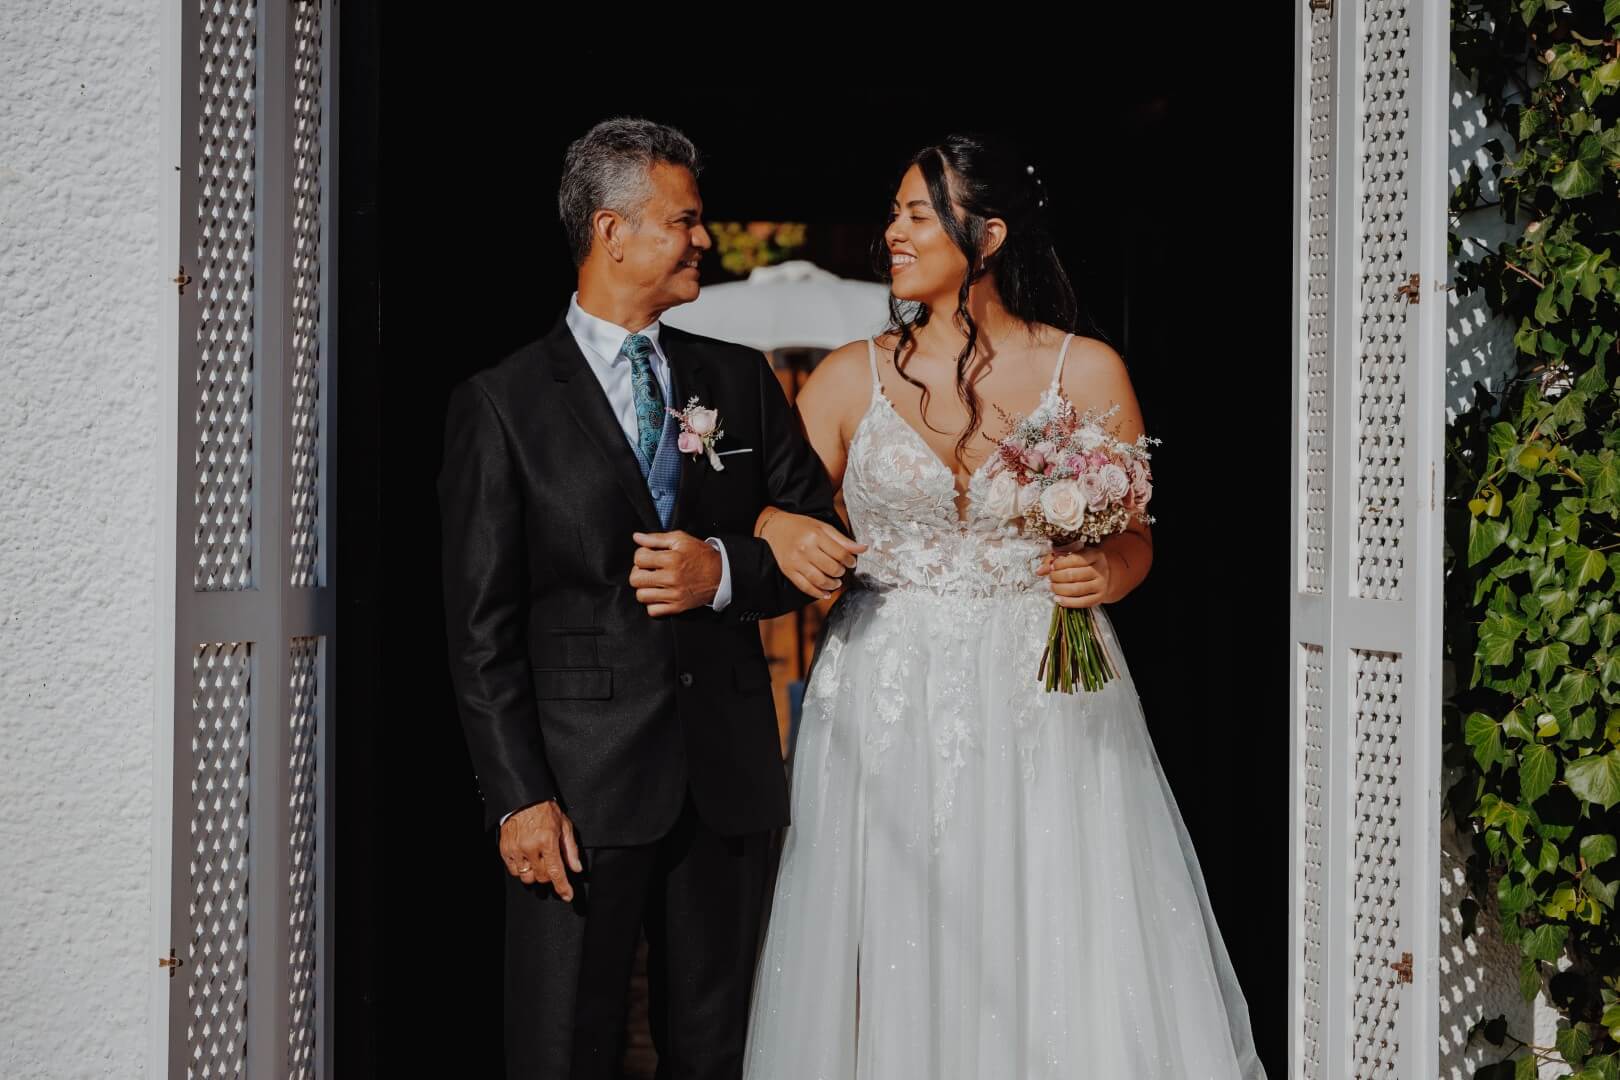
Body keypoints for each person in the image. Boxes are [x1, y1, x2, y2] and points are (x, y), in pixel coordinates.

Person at [740, 134, 1267, 1078]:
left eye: (916, 213)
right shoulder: (849, 376)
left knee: (1056, 908)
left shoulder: (1086, 370)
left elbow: (1136, 540)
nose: (893, 232)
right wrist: (778, 525)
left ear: (986, 236)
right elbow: (769, 510)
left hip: (1044, 689)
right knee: (895, 916)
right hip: (886, 689)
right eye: (893, 213)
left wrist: (1108, 575)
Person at [437, 117, 842, 1079]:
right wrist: (520, 800)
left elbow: (818, 544)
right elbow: (480, 633)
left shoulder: (737, 379)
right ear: (611, 232)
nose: (704, 239)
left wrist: (723, 570)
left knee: (718, 1052)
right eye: (684, 221)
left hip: (726, 779)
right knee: (564, 1051)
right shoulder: (502, 403)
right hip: (577, 791)